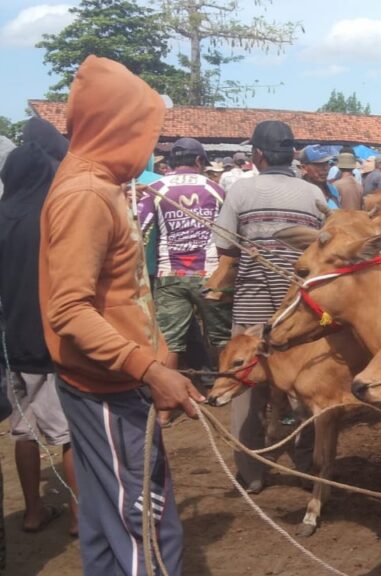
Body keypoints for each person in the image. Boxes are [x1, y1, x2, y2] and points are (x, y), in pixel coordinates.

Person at [38, 55, 196, 576]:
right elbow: (69, 310)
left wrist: (157, 348)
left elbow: (117, 291)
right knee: (144, 528)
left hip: (108, 381)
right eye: (145, 131)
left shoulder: (101, 184)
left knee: (109, 529)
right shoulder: (86, 194)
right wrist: (148, 369)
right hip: (107, 390)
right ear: (118, 128)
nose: (151, 146)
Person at [214, 119, 324, 494]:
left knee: (243, 385)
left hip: (252, 304)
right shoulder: (313, 194)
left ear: (258, 154)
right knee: (305, 385)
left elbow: (225, 250)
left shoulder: (241, 192)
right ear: (291, 154)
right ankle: (308, 461)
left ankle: (252, 470)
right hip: (299, 311)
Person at [0, 117, 79, 538]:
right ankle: (78, 516)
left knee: (24, 431)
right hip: (53, 341)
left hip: (12, 344)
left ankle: (32, 511)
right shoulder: (54, 217)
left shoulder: (2, 216)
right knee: (68, 434)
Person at [137, 138, 231, 426]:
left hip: (169, 274)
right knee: (222, 338)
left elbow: (139, 229)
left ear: (171, 162)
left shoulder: (156, 189)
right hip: (210, 274)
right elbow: (229, 232)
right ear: (200, 161)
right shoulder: (215, 189)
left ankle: (165, 410)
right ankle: (227, 395)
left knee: (172, 342)